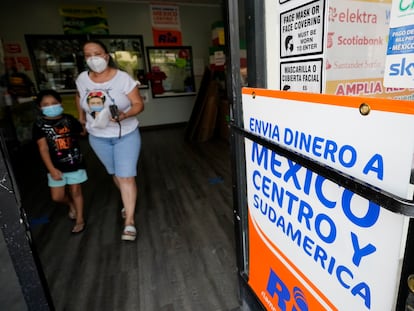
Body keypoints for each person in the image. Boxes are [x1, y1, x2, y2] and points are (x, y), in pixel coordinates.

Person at [75, 40, 144, 241]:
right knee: (115, 173)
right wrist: (81, 117)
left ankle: (129, 221)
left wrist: (124, 115)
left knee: (126, 176)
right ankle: (127, 199)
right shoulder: (82, 79)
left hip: (125, 134)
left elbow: (138, 104)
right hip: (98, 137)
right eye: (88, 55)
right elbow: (78, 95)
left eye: (97, 53)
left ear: (106, 55)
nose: (93, 58)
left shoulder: (122, 78)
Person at [32, 89, 87, 234]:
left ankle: (80, 219)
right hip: (55, 167)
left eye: (54, 103)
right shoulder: (39, 125)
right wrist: (51, 169)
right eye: (46, 104)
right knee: (57, 197)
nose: (51, 106)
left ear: (60, 103)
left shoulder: (69, 119)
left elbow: (82, 133)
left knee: (76, 191)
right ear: (40, 107)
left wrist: (83, 120)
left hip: (74, 163)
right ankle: (71, 204)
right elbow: (43, 148)